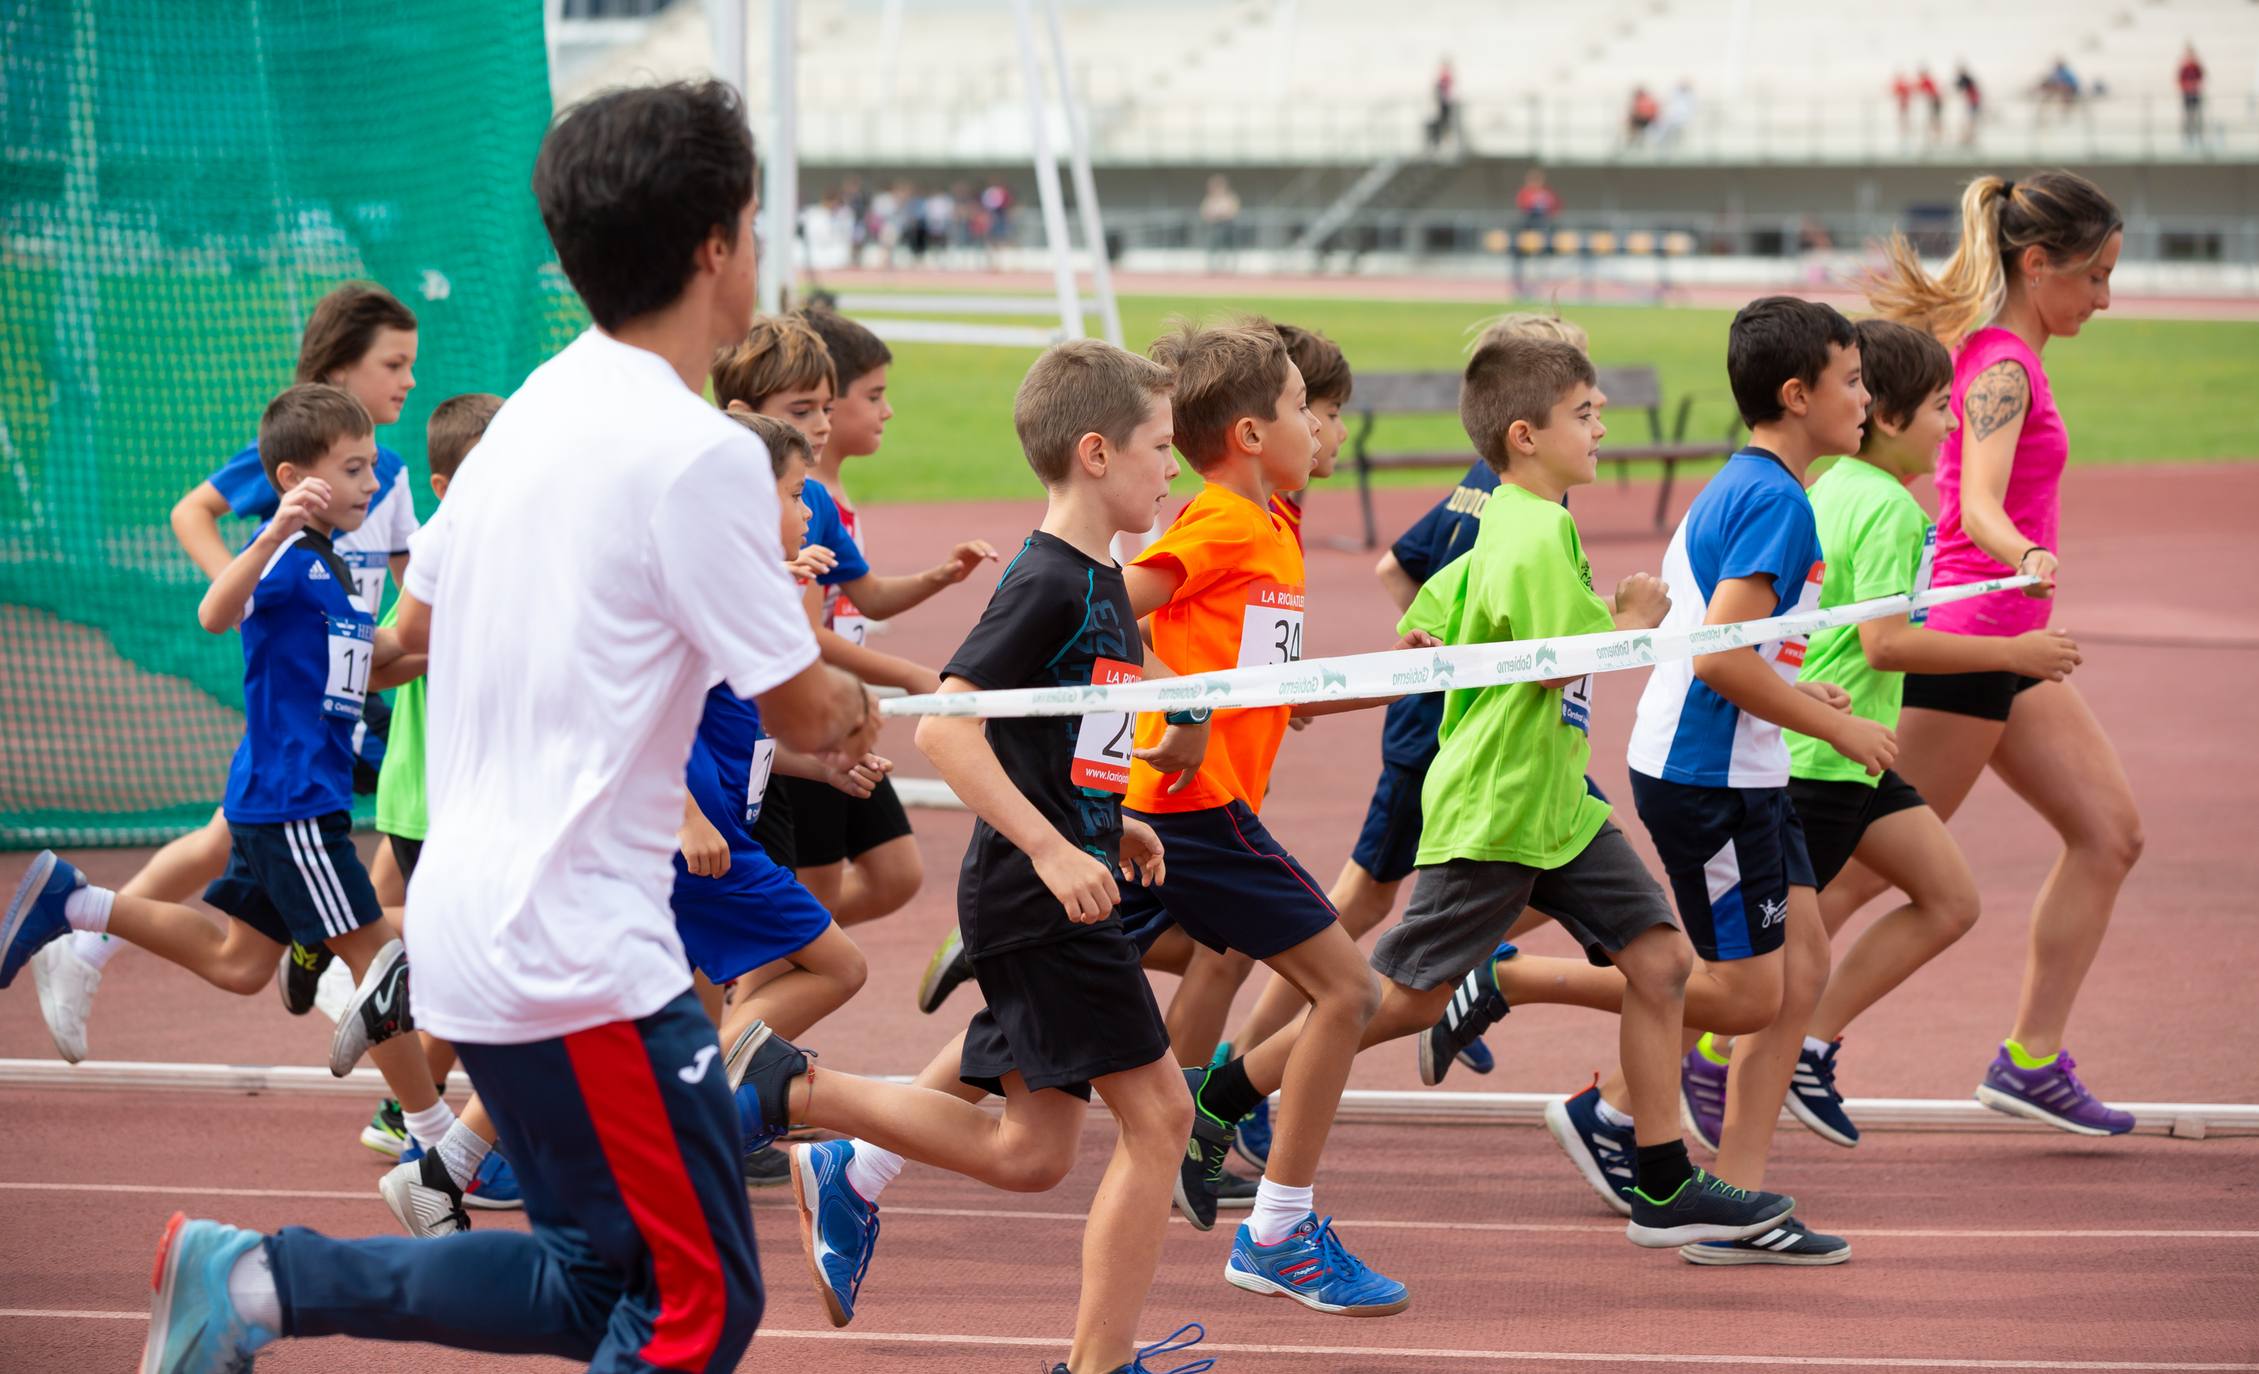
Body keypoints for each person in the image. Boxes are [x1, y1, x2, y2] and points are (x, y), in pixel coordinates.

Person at [118, 79, 878, 1374]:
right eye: (751, 223)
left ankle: (255, 1279)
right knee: (695, 1306)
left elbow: (407, 636)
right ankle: (256, 1278)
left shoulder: (523, 419)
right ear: (712, 245)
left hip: (473, 926)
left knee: (598, 1277)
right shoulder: (698, 457)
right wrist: (838, 676)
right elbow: (809, 706)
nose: (758, 249)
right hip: (576, 945)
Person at [1211, 332, 1797, 1262]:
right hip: (1496, 813)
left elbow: (1430, 633)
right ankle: (1224, 1096)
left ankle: (1661, 1181)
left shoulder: (1519, 529)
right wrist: (1633, 621)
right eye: (1584, 413)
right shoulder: (1527, 532)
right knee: (1392, 1001)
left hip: (1559, 811)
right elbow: (1566, 657)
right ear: (1524, 435)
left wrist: (1340, 686)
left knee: (1658, 964)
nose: (1602, 425)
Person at [759, 338, 1213, 1374]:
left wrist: (1110, 820)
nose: (1172, 466)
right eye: (1158, 445)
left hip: (1061, 877)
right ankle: (1098, 1365)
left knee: (1034, 1154)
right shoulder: (1046, 581)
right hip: (1039, 897)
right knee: (1160, 1117)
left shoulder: (1098, 580)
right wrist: (1058, 850)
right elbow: (947, 728)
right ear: (1095, 453)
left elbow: (1056, 736)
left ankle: (818, 1121)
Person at [3, 384, 464, 1225]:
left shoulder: (331, 571)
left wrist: (451, 639)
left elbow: (379, 660)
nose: (372, 483)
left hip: (284, 801)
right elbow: (218, 612)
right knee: (380, 961)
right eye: (353, 468)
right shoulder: (287, 556)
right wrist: (274, 531)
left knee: (241, 963)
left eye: (370, 466)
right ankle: (434, 1154)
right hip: (292, 806)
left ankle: (74, 900)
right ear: (294, 478)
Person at [1680, 320, 2081, 1153]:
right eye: (1943, 408)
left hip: (1846, 747)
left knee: (1945, 900)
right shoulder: (1886, 508)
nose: (1953, 426)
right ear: (1892, 420)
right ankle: (1625, 1099)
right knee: (1761, 972)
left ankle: (1801, 1050)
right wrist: (2014, 651)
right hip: (1823, 757)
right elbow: (1884, 645)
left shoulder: (1831, 486)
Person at [1564, 296, 1892, 1266]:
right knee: (1747, 998)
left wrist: (1802, 685)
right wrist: (1842, 722)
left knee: (1807, 966)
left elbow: (1736, 640)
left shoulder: (1753, 486)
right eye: (1853, 380)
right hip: (1708, 775)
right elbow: (1715, 659)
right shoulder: (1778, 503)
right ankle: (1524, 987)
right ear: (1798, 396)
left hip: (1744, 767)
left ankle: (1737, 1198)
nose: (1867, 398)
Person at [1214, 313, 1583, 1174]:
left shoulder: (1489, 484)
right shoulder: (1507, 497)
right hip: (1451, 735)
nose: (1592, 415)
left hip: (1465, 727)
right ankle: (1234, 1087)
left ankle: (1463, 966)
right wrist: (1438, 658)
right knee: (1338, 919)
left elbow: (1400, 569)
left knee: (1358, 912)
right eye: (1578, 395)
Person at [32, 283, 422, 1092]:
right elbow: (191, 514)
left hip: (350, 681)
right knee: (240, 839)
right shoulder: (302, 458)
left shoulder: (390, 475)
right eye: (394, 363)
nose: (408, 381)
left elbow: (409, 609)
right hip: (300, 689)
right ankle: (90, 939)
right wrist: (245, 591)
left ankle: (309, 948)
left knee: (320, 868)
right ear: (345, 366)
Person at [1111, 320, 1408, 1316]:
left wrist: (1399, 675)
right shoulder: (1227, 525)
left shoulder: (1272, 525)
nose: (1317, 430)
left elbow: (1269, 680)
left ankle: (860, 1162)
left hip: (1190, 812)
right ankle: (1280, 1227)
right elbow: (1101, 605)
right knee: (1347, 991)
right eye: (1298, 410)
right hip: (1194, 813)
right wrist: (1182, 706)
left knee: (1070, 978)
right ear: (1247, 433)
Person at [1858, 170, 2138, 1135]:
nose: (2103, 298)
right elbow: (1975, 501)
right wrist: (2024, 553)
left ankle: (2029, 1060)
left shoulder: (2002, 355)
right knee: (1860, 870)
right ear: (2035, 263)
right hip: (1975, 643)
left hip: (2008, 649)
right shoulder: (2005, 367)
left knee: (2108, 835)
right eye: (2094, 276)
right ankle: (1707, 1051)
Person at [365, 392, 526, 1235]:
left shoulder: (511, 546)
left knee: (494, 973)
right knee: (494, 974)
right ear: (445, 482)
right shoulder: (438, 551)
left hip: (476, 797)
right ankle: (428, 1135)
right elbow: (389, 660)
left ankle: (435, 1141)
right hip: (435, 800)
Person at [783, 305, 999, 924]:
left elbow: (868, 595)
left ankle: (758, 961)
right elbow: (807, 636)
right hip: (809, 716)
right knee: (810, 911)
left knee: (895, 874)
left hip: (844, 710)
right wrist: (904, 673)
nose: (889, 410)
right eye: (873, 395)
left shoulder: (825, 497)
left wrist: (940, 575)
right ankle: (753, 975)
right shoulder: (801, 506)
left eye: (825, 407)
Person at [1199, 175, 1242, 271]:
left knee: (1231, 248)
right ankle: (1213, 268)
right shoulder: (1209, 199)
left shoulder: (1230, 197)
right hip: (1215, 227)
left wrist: (1220, 214)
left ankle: (1231, 268)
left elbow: (1233, 211)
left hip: (1229, 226)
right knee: (1213, 247)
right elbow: (1205, 213)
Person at [2179, 45, 2205, 145]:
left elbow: (2201, 78)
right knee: (2188, 116)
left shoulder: (2196, 66)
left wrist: (2195, 86)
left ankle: (2197, 136)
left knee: (2197, 115)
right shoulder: (2184, 66)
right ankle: (2187, 137)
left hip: (2195, 93)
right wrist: (2187, 87)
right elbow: (2180, 80)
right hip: (2187, 94)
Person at [1954, 64, 1983, 145]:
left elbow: (1960, 87)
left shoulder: (1966, 79)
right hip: (1972, 101)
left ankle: (1969, 137)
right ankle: (1968, 136)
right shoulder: (1966, 79)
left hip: (1973, 102)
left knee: (1970, 119)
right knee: (1970, 118)